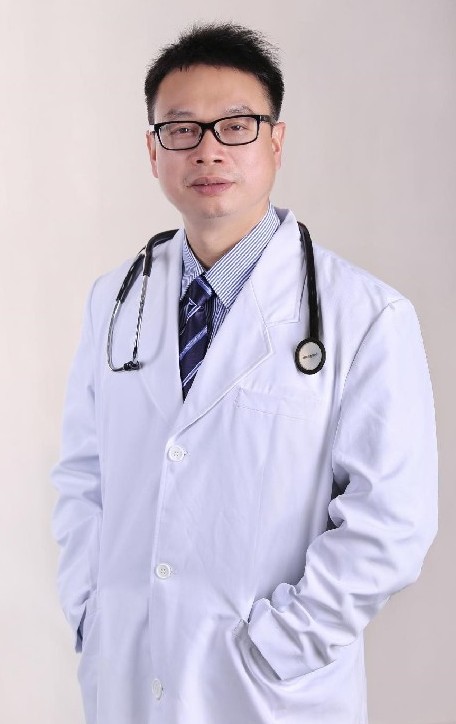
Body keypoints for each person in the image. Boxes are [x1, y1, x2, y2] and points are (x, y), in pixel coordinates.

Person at [52, 22, 438, 724]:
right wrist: (91, 611)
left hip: (268, 691)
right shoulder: (114, 301)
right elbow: (83, 475)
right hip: (130, 676)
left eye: (235, 126)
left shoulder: (366, 316)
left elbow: (393, 521)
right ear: (153, 150)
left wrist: (284, 643)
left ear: (275, 142)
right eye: (181, 130)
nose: (208, 150)